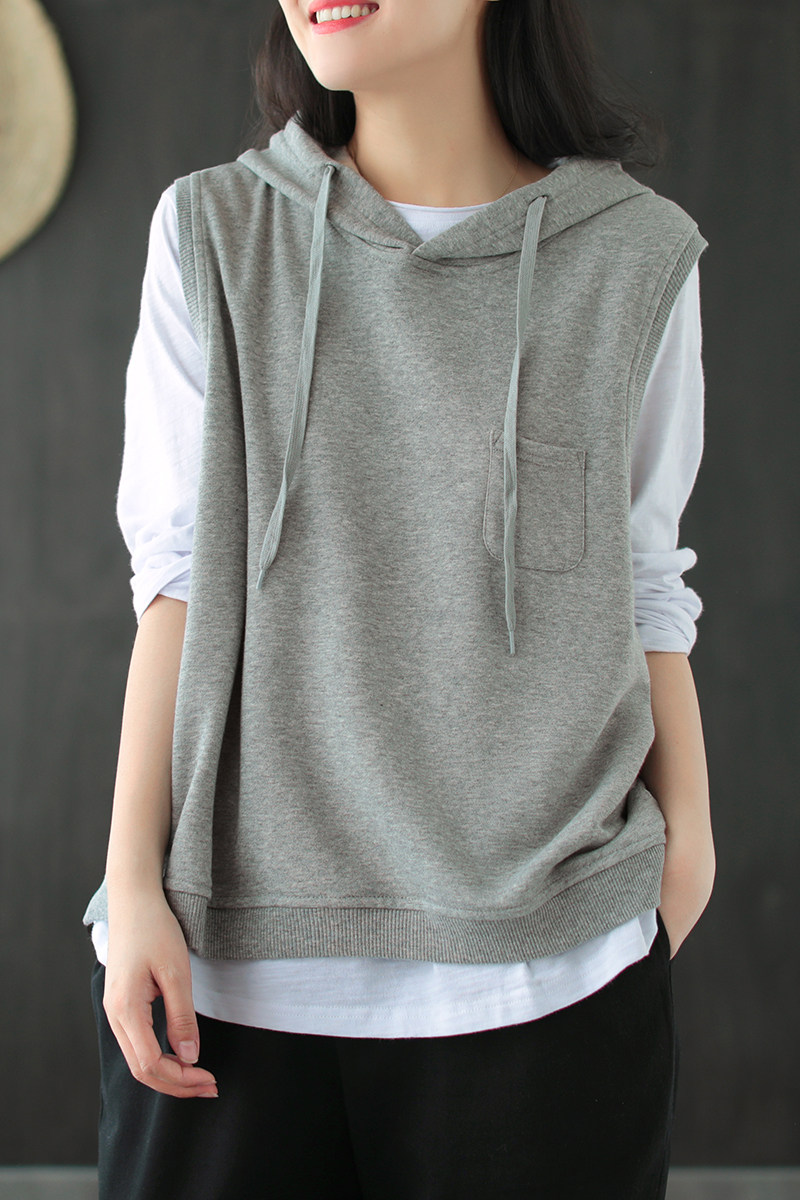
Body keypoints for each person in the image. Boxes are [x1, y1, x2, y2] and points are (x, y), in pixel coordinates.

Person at [82, 0, 717, 1196]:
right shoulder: (213, 231)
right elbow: (172, 582)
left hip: (549, 968)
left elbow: (643, 583)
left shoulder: (636, 257)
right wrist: (132, 886)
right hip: (226, 977)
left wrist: (683, 860)